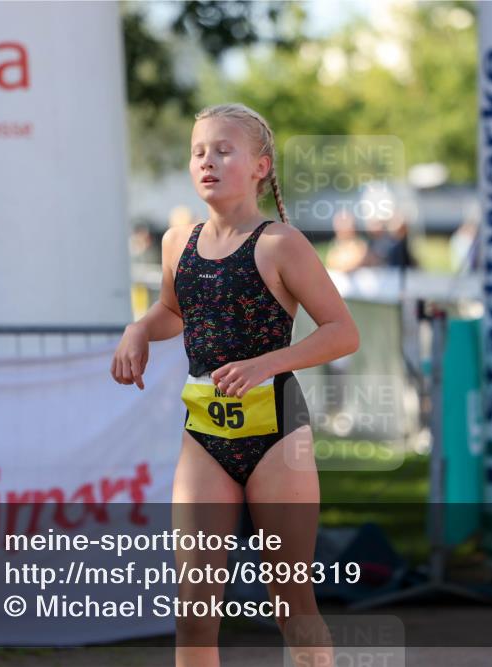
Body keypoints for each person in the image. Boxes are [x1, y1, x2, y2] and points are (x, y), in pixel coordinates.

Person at [111, 103, 358, 666]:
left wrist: (266, 363)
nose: (208, 161)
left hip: (277, 435)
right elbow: (176, 311)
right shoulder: (179, 241)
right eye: (199, 151)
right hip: (204, 434)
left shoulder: (280, 244)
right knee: (195, 607)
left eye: (224, 150)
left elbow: (343, 332)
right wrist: (140, 328)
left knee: (291, 599)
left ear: (260, 166)